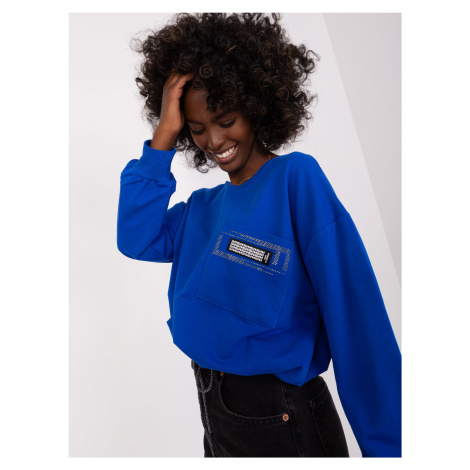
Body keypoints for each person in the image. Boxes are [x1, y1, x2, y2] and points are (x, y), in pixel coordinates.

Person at [117, 13, 401, 458]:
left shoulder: (295, 180)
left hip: (283, 418)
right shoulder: (201, 209)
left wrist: (392, 451)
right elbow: (136, 238)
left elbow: (355, 312)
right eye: (197, 129)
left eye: (226, 119)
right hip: (214, 411)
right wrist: (163, 138)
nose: (213, 140)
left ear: (256, 105)